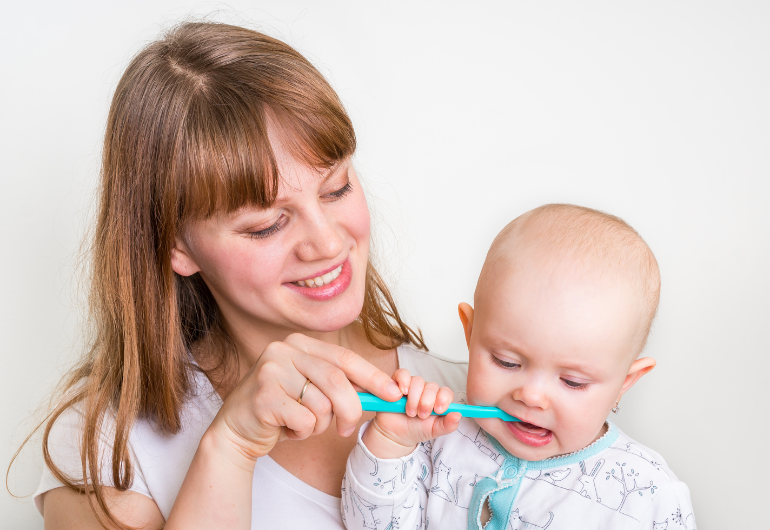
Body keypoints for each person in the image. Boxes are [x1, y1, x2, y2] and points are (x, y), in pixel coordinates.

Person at [29, 22, 467, 529]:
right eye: (267, 225)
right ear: (176, 245)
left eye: (337, 188)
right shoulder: (108, 447)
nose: (327, 243)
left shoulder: (476, 397)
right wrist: (230, 445)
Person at [341, 204, 696, 530]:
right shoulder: (436, 434)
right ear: (471, 332)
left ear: (625, 382)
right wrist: (390, 442)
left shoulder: (647, 494)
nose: (532, 396)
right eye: (506, 362)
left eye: (572, 382)